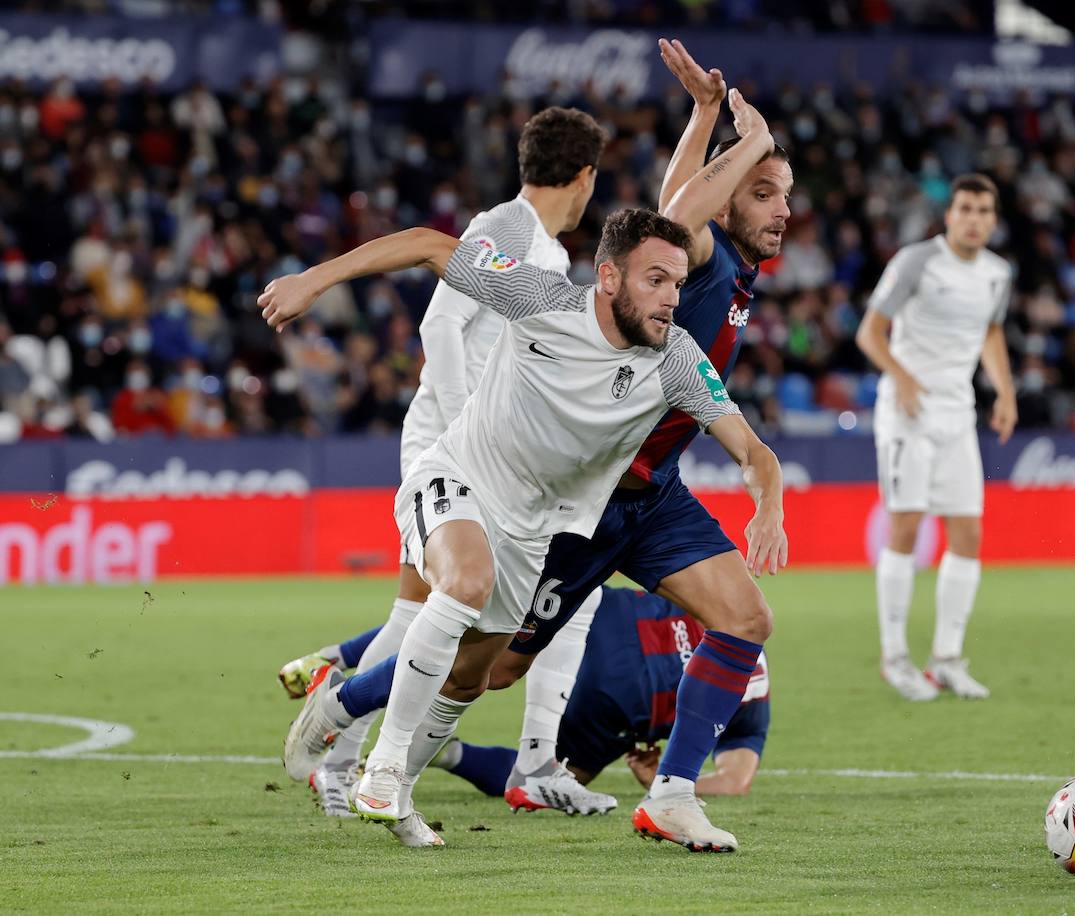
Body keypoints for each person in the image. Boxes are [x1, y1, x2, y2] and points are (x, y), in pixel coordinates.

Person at [262, 122, 786, 852]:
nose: (672, 298)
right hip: (459, 475)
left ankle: (407, 771)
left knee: (483, 675)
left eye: (676, 283)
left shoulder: (675, 358)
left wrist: (770, 502)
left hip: (554, 518)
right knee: (463, 587)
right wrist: (311, 281)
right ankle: (367, 749)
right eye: (657, 281)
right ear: (610, 278)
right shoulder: (541, 296)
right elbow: (427, 245)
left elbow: (749, 445)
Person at [274, 106, 614, 822]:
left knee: (428, 614)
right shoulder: (509, 229)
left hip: (496, 454)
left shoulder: (546, 253)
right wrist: (467, 425)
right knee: (442, 614)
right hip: (452, 446)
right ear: (584, 177)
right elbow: (441, 324)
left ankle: (358, 740)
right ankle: (346, 749)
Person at [336, 587, 770, 800]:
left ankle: (340, 675)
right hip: (610, 706)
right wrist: (668, 777)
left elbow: (670, 570)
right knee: (551, 777)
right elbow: (735, 780)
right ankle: (446, 753)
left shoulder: (728, 611)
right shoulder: (751, 709)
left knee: (471, 638)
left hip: (596, 619)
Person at [854, 172, 1017, 703]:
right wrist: (901, 377)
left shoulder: (997, 274)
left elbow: (990, 333)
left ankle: (947, 658)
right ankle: (894, 657)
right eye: (965, 208)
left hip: (957, 413)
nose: (974, 219)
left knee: (968, 534)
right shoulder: (917, 262)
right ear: (950, 215)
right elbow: (870, 332)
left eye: (983, 211)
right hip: (908, 415)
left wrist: (1005, 393)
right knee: (905, 528)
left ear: (993, 219)